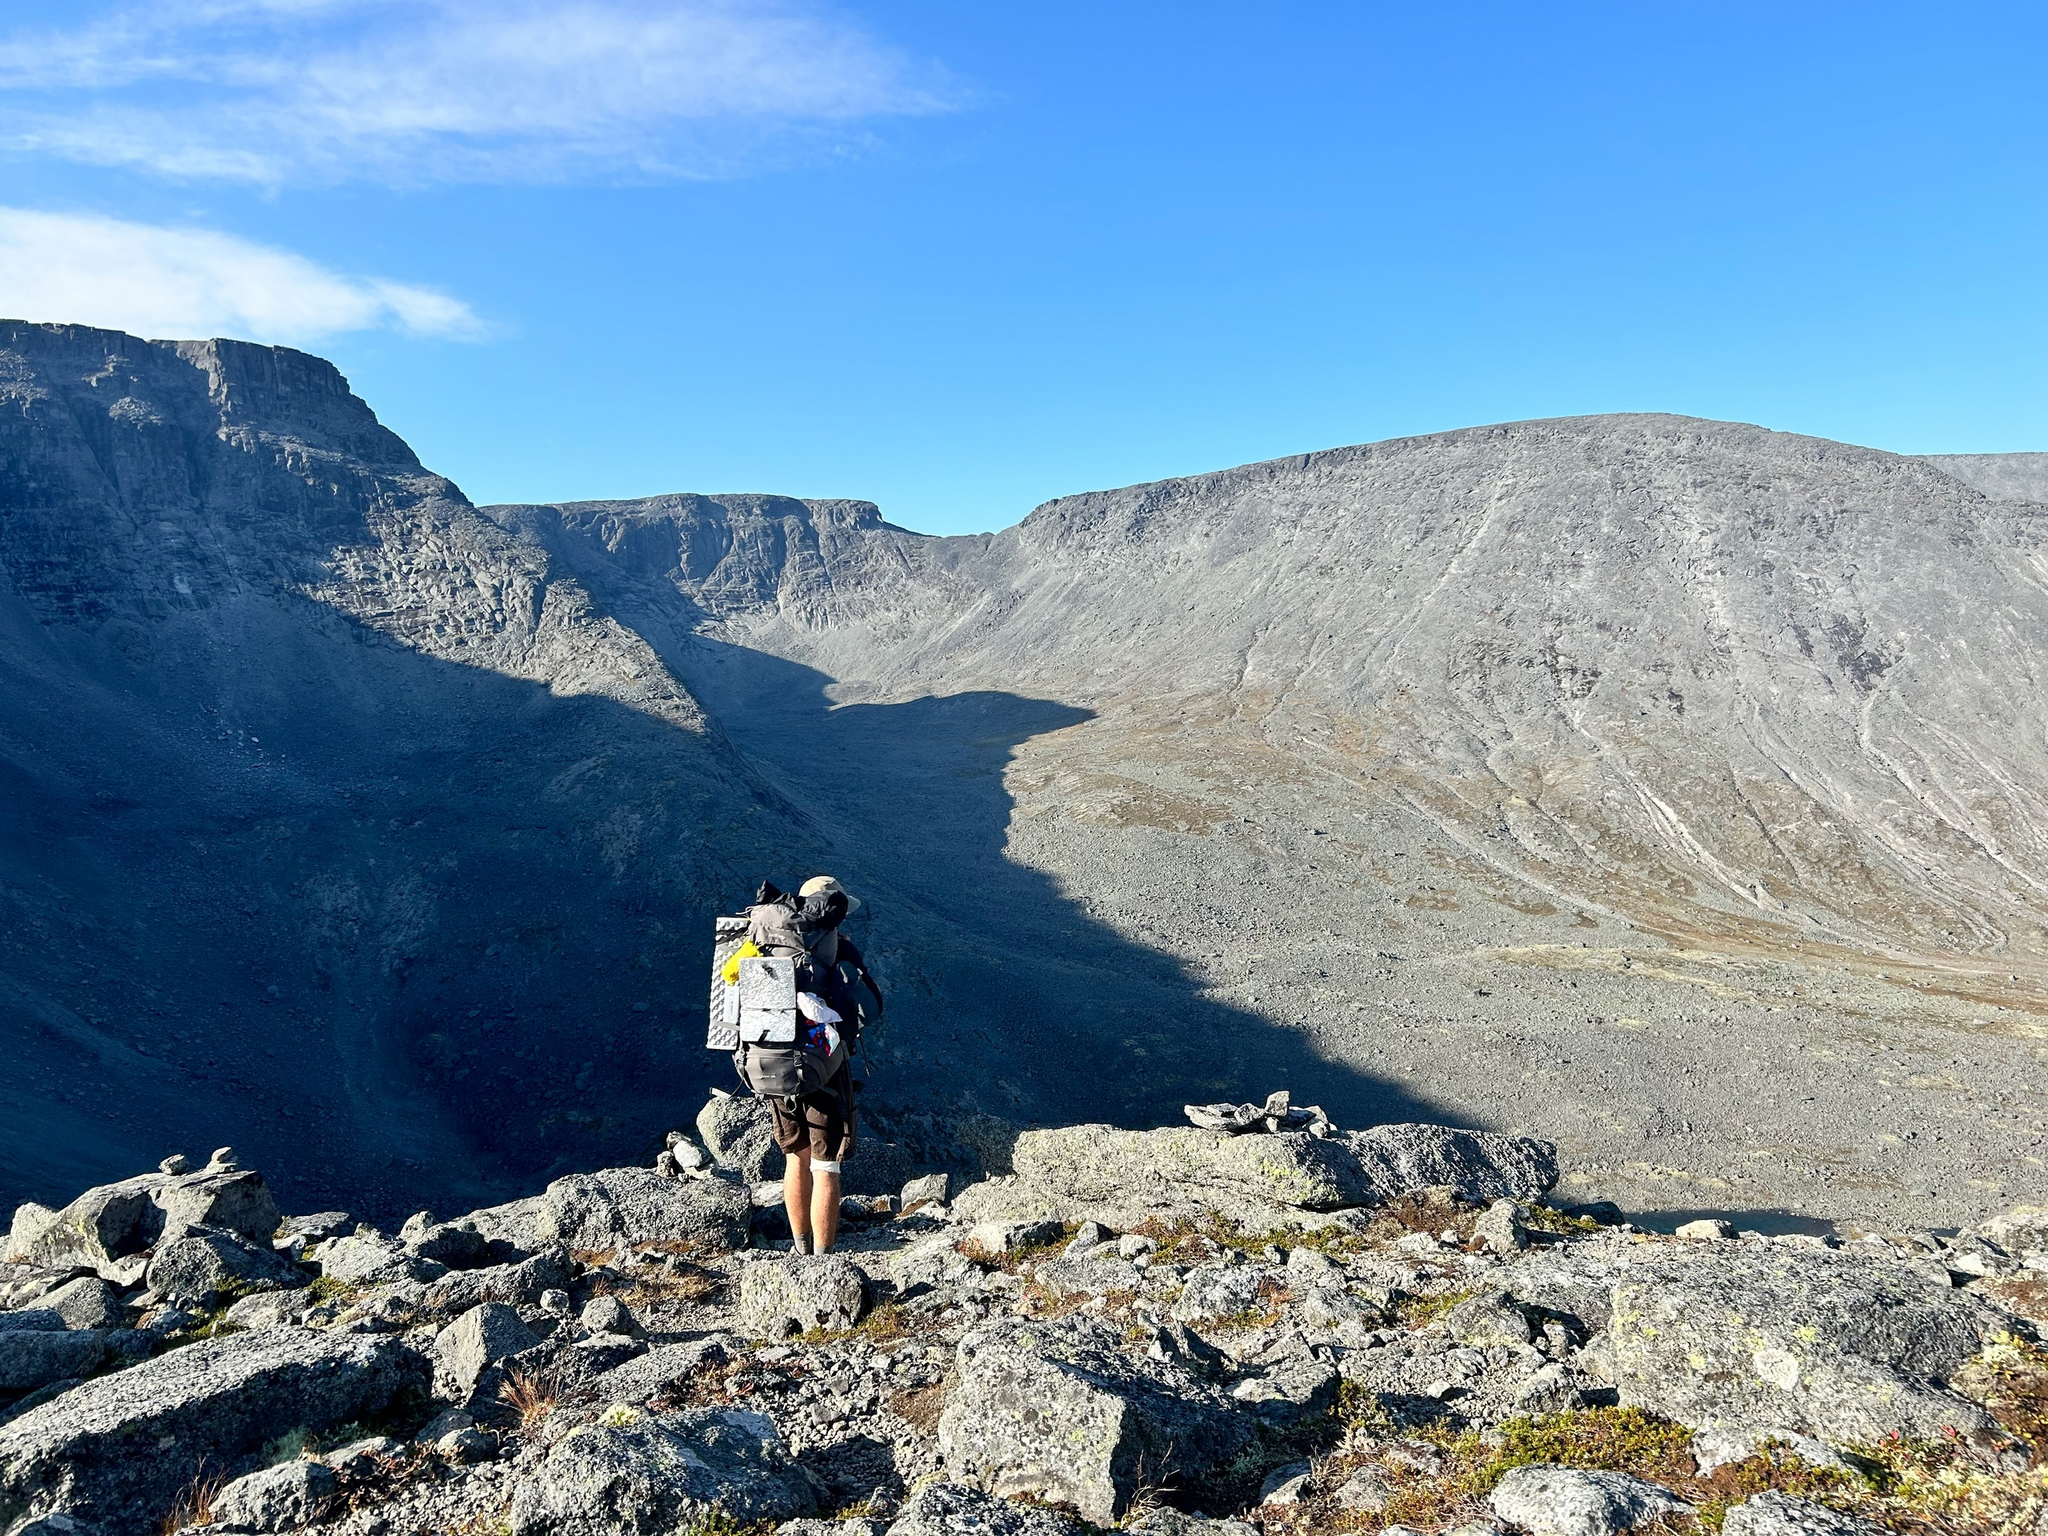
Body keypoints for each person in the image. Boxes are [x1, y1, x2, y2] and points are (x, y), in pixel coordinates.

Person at [746, 874, 883, 1255]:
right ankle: (823, 1261)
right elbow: (869, 1009)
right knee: (826, 1164)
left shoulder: (766, 937)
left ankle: (801, 1249)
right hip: (822, 1064)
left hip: (770, 1059)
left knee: (795, 1156)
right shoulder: (835, 947)